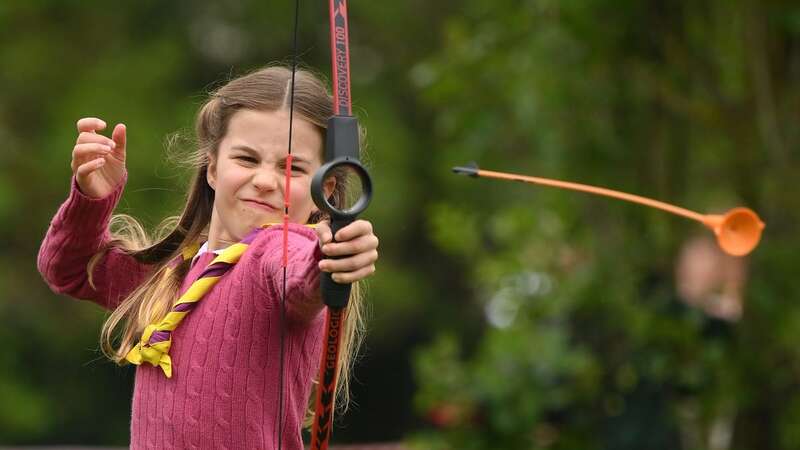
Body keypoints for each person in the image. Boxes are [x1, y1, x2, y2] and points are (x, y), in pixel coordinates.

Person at [37, 65, 379, 450]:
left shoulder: (279, 250)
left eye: (292, 168)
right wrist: (92, 200)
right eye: (247, 159)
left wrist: (332, 256)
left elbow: (300, 277)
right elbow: (67, 269)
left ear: (325, 190)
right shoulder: (170, 274)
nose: (265, 180)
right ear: (213, 167)